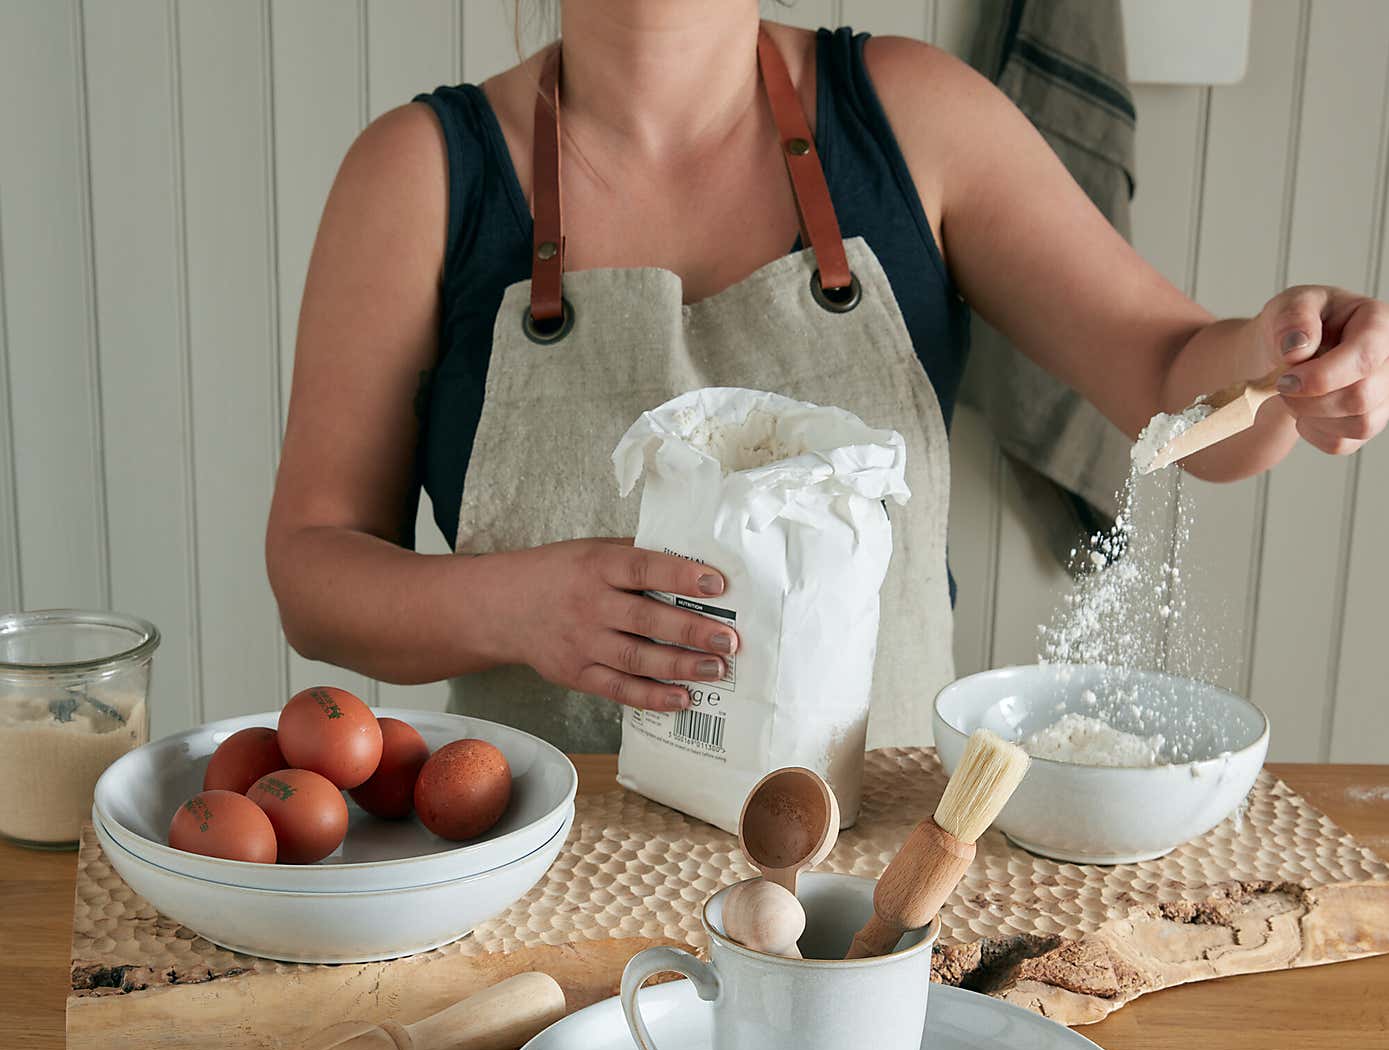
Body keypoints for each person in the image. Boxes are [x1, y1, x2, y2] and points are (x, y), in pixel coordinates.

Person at [266, 1, 1389, 752]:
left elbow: (1191, 397)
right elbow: (311, 571)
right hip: (544, 881)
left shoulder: (914, 115)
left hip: (886, 896)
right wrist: (513, 605)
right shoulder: (415, 174)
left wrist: (1282, 358)